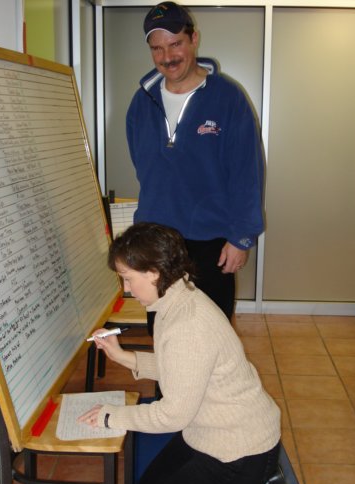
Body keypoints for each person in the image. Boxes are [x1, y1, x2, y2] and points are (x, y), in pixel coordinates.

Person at [79, 222, 292, 484]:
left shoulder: (187, 324)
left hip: (239, 451)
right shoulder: (176, 297)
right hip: (207, 432)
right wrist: (122, 356)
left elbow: (172, 415)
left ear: (153, 272)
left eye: (128, 278)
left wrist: (112, 417)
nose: (126, 287)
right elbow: (182, 368)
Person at [126, 2, 265, 320]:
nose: (167, 56)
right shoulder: (141, 102)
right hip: (156, 244)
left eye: (175, 43)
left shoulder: (228, 98)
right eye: (157, 48)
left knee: (212, 333)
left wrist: (241, 238)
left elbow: (247, 174)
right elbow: (142, 165)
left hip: (211, 244)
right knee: (163, 333)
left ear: (194, 39)